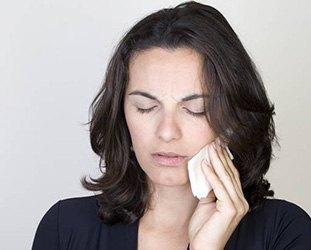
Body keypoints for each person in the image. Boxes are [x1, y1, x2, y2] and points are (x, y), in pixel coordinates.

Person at [32, 1, 311, 249]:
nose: (166, 132)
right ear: (121, 114)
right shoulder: (64, 228)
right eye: (145, 107)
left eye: (196, 110)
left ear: (233, 120)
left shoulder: (284, 232)